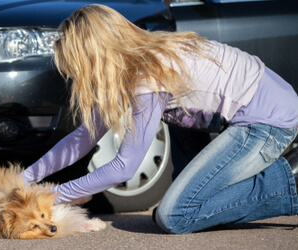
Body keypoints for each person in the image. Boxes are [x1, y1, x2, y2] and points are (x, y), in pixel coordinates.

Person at [23, 4, 298, 234]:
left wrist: (53, 196)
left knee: (175, 216)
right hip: (255, 112)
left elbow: (123, 167)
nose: (77, 77)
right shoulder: (137, 61)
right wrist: (25, 179)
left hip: (268, 123)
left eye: (79, 67)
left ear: (98, 56)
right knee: (180, 207)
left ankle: (291, 181)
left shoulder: (146, 77)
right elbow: (84, 137)